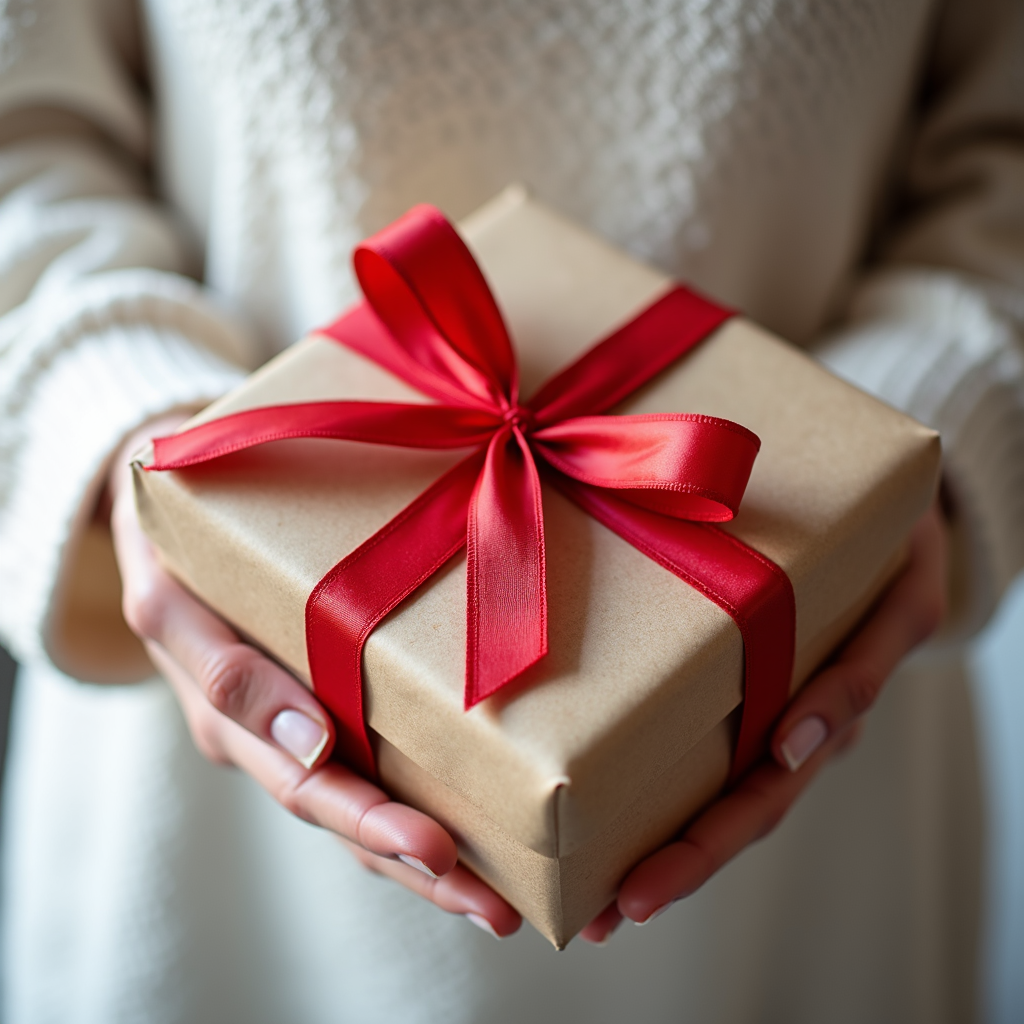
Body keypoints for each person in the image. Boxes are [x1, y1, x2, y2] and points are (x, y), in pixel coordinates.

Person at [0, 1, 1021, 1021]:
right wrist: (121, 408)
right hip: (206, 749)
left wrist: (893, 458)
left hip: (824, 695)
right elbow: (25, 142)